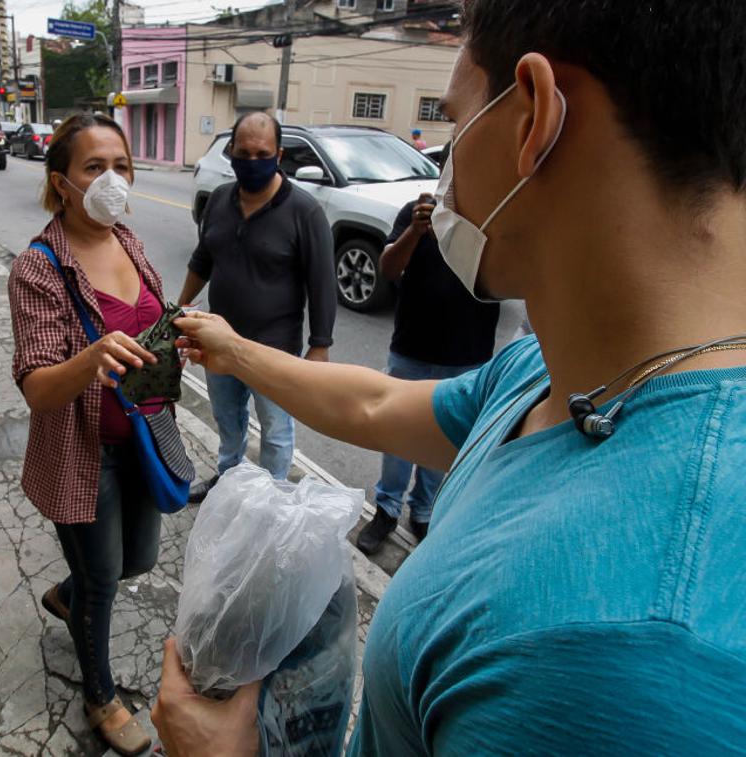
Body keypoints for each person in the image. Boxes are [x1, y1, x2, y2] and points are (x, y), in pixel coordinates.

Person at [154, 0, 746, 753]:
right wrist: (234, 351)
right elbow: (376, 403)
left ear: (532, 114)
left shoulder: (627, 658)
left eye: (455, 120)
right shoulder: (556, 370)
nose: (445, 159)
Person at [8, 113, 163, 756]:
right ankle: (99, 696)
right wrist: (91, 356)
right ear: (62, 183)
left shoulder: (129, 240)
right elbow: (39, 389)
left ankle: (66, 593)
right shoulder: (38, 268)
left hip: (147, 434)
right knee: (103, 578)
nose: (112, 179)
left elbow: (148, 324)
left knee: (139, 560)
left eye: (121, 166)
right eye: (94, 167)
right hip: (83, 451)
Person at [177, 111, 335, 501]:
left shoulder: (304, 211)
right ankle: (229, 479)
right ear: (230, 152)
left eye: (261, 153)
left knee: (276, 431)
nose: (251, 161)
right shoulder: (218, 200)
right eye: (242, 152)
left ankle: (272, 497)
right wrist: (178, 311)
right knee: (228, 420)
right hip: (217, 343)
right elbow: (203, 260)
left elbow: (322, 282)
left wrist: (319, 346)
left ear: (278, 154)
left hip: (274, 349)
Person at [356, 181, 500, 554]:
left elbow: (509, 283)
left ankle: (423, 511)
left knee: (442, 439)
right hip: (412, 349)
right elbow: (388, 268)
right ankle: (386, 509)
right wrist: (415, 232)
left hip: (467, 355)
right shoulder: (414, 212)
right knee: (397, 436)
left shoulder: (496, 218)